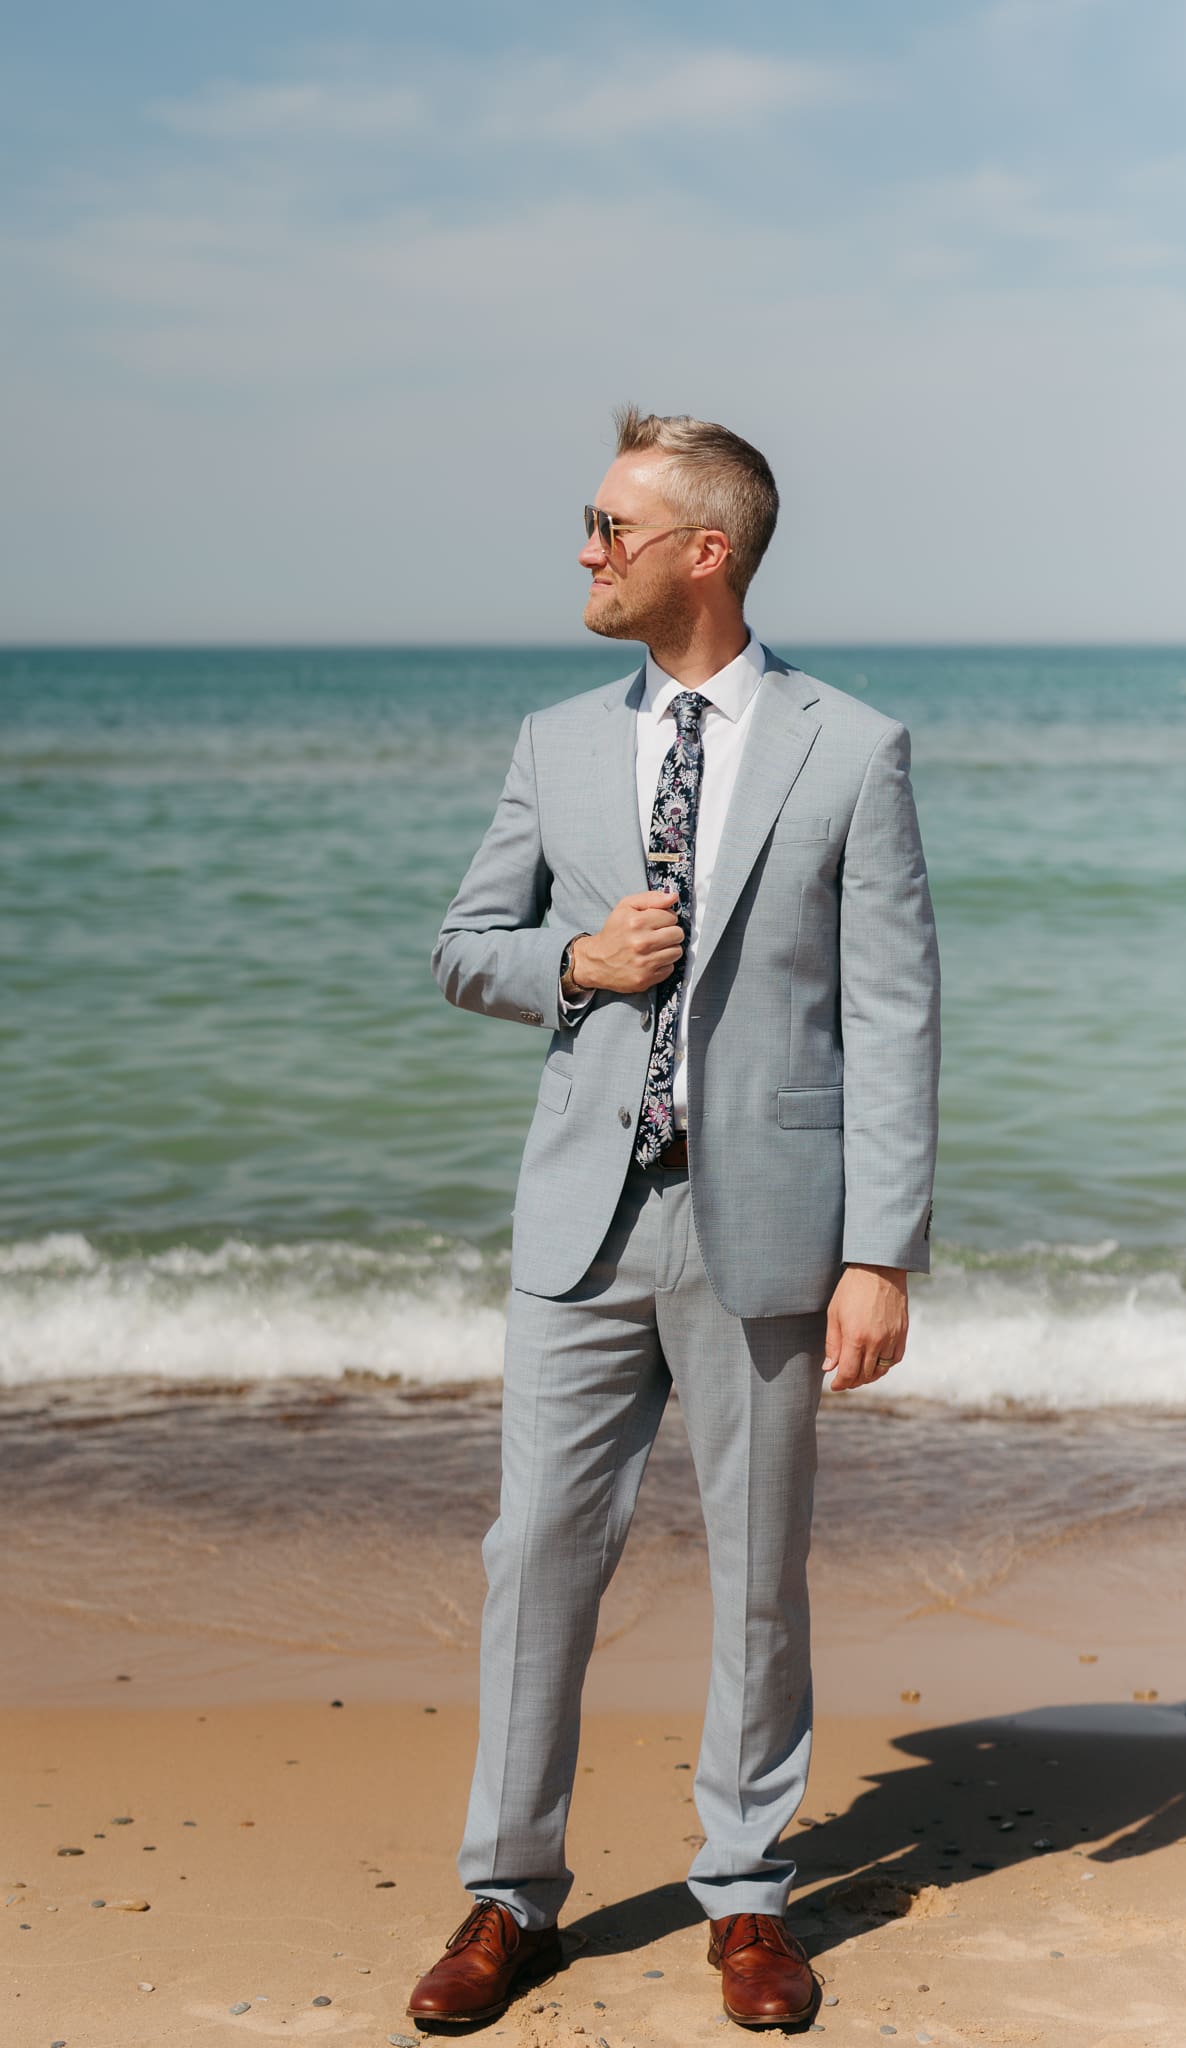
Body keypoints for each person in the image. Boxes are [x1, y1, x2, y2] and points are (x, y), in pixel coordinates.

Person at [409, 408, 940, 2031]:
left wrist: (879, 1251)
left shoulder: (851, 746)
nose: (584, 551)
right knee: (533, 1558)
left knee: (759, 1571)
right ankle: (508, 1896)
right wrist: (574, 962)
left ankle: (749, 1894)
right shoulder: (556, 741)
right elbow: (462, 945)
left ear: (701, 553)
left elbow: (893, 1013)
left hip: (766, 1223)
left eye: (608, 528)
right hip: (580, 1220)